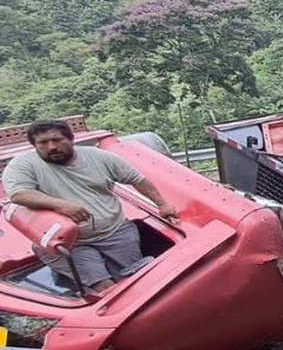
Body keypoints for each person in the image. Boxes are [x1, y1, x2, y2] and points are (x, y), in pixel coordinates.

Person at [1, 119, 177, 292]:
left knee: (136, 281)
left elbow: (137, 179)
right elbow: (19, 194)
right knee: (106, 289)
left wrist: (162, 204)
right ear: (34, 145)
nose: (51, 147)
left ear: (70, 139)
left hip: (115, 231)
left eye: (57, 140)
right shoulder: (23, 165)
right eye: (43, 143)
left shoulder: (98, 157)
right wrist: (61, 205)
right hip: (69, 243)